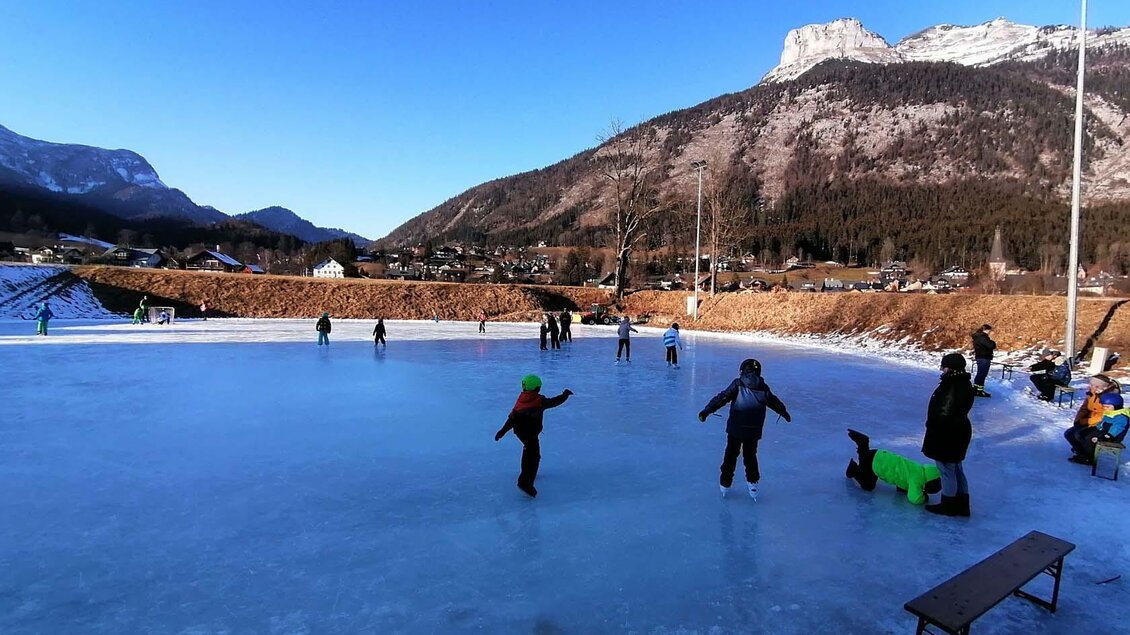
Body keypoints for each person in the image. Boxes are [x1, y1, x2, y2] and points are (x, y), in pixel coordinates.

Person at [698, 358, 791, 500]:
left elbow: (722, 398)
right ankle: (753, 486)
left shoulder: (738, 383)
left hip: (735, 428)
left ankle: (725, 484)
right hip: (753, 431)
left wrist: (706, 411)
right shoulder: (763, 387)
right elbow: (774, 402)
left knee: (730, 456)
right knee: (750, 457)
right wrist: (784, 413)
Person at [494, 375, 573, 498]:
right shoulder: (539, 401)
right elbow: (554, 402)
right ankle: (525, 483)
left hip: (520, 432)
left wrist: (502, 431)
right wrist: (565, 395)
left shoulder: (521, 399)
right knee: (534, 457)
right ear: (537, 389)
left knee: (528, 452)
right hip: (530, 434)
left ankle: (525, 476)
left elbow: (512, 418)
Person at [921, 352, 976, 517]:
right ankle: (962, 504)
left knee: (946, 469)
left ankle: (949, 504)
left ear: (950, 368)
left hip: (947, 433)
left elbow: (944, 412)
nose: (942, 369)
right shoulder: (963, 382)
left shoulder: (952, 385)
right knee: (956, 468)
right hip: (959, 431)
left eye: (944, 366)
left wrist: (933, 426)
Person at [845, 429, 942, 505]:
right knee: (868, 485)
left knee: (865, 457)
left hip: (880, 455)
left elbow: (903, 478)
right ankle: (854, 468)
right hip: (875, 465)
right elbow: (915, 498)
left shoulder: (920, 468)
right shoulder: (916, 480)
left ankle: (863, 445)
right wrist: (924, 498)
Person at [1067, 392, 1129, 465]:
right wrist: (1095, 427)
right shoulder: (1110, 412)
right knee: (1080, 433)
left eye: (1107, 407)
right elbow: (1102, 423)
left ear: (1116, 406)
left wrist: (1109, 435)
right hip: (1102, 431)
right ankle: (1081, 452)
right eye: (1104, 406)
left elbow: (1118, 428)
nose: (1105, 408)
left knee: (1089, 438)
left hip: (1111, 437)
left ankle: (1089, 458)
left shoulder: (1121, 417)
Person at [971, 324, 995, 398]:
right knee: (982, 374)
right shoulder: (982, 337)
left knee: (980, 374)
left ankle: (976, 389)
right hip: (984, 357)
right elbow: (991, 345)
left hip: (981, 357)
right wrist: (993, 342)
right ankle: (979, 390)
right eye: (989, 331)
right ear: (986, 330)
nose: (990, 332)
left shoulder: (978, 337)